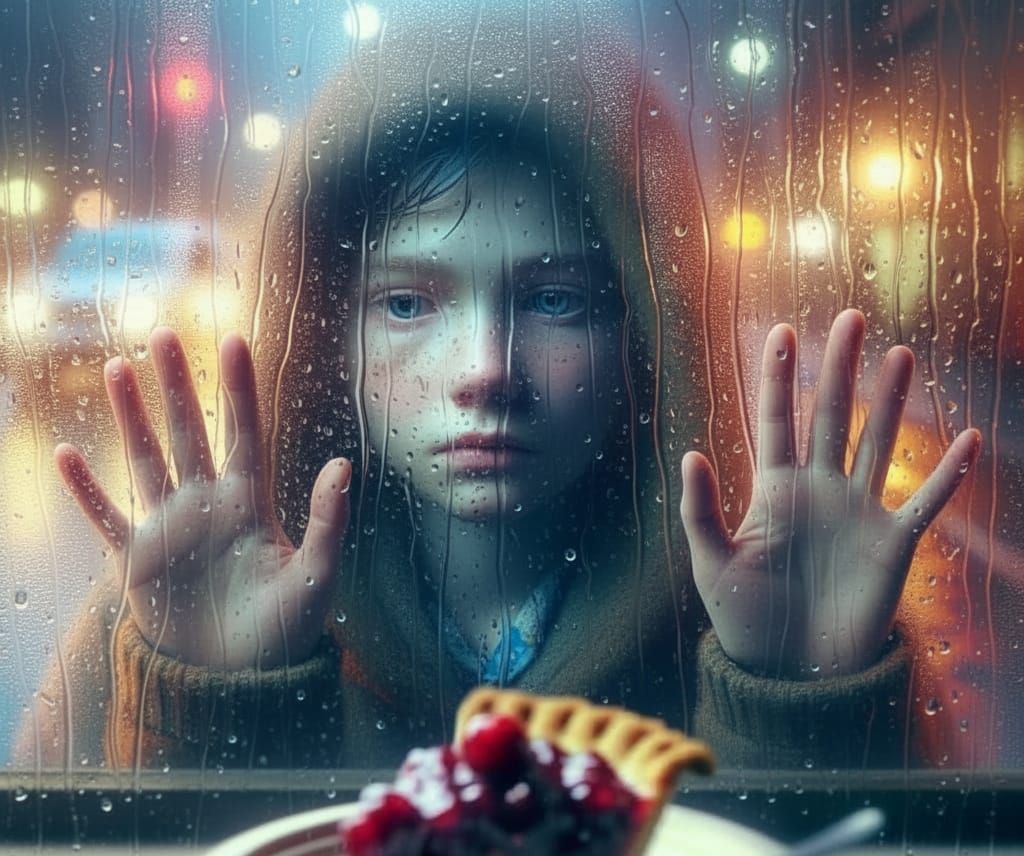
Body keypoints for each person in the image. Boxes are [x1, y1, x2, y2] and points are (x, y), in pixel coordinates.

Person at [13, 1, 979, 773]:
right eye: (406, 304)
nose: (485, 371)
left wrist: (800, 696)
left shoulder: (776, 594)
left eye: (557, 300)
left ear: (649, 338)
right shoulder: (178, 600)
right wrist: (210, 698)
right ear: (326, 341)